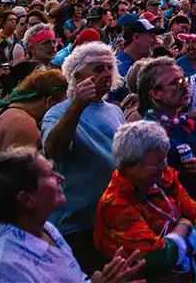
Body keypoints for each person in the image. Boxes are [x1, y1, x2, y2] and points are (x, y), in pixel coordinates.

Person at [0, 148, 144, 283]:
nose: (61, 178)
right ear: (27, 199)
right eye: (50, 174)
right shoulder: (1, 271)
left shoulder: (46, 229)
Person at [40, 41, 125, 274]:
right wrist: (77, 105)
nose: (106, 74)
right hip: (79, 225)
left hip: (115, 219)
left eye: (109, 68)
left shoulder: (114, 110)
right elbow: (53, 150)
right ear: (77, 75)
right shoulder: (57, 112)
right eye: (98, 69)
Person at [94, 121, 196, 282]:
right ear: (129, 164)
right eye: (157, 162)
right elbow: (156, 258)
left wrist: (173, 242)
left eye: (164, 158)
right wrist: (184, 225)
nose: (164, 166)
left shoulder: (165, 179)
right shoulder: (115, 203)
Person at [135, 57, 196, 214]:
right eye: (176, 83)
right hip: (166, 225)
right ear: (156, 94)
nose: (185, 85)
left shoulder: (191, 126)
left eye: (183, 80)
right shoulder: (144, 134)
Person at [0, 67, 68, 152]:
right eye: (63, 105)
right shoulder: (25, 124)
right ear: (50, 102)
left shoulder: (5, 111)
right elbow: (23, 165)